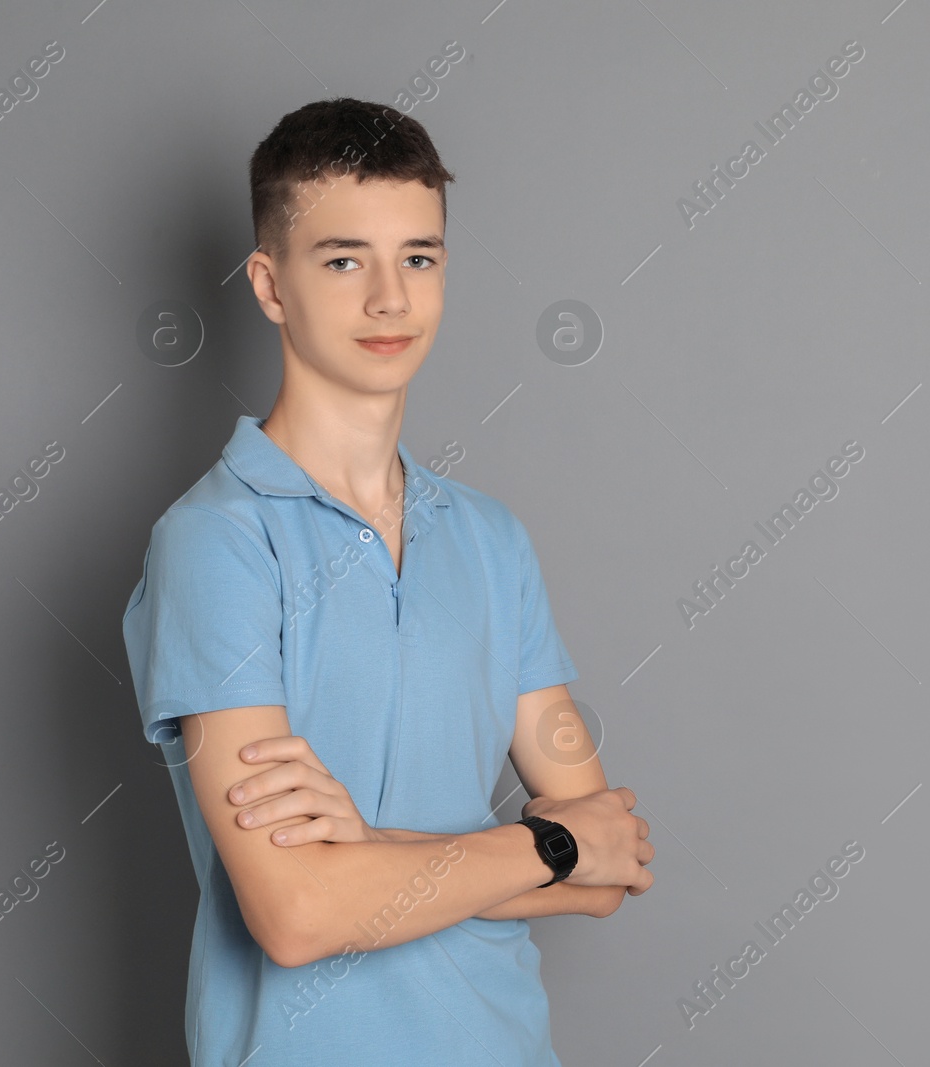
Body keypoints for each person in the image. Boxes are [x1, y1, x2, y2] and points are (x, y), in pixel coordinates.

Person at [121, 97, 654, 1066]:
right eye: (342, 259)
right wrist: (544, 844)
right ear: (270, 284)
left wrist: (371, 843)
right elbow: (295, 911)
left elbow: (610, 858)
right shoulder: (214, 543)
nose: (390, 299)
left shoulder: (493, 540)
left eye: (418, 256)